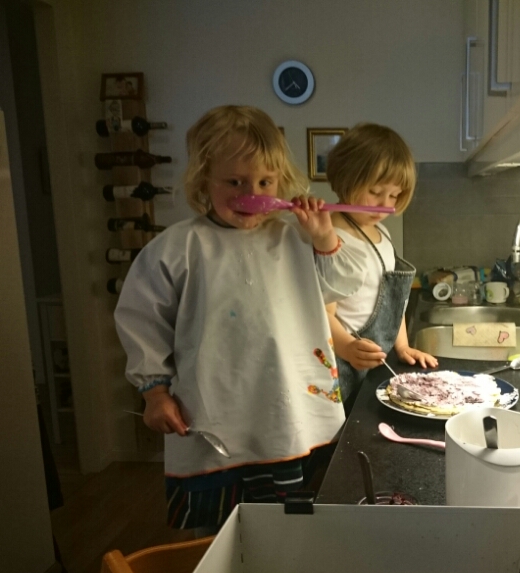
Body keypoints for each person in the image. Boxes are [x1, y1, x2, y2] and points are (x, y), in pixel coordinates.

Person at [114, 106, 365, 533]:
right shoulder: (177, 248)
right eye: (234, 182)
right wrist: (154, 392)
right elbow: (141, 321)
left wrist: (324, 236)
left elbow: (345, 281)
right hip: (212, 415)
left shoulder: (297, 237)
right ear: (203, 181)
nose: (252, 193)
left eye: (266, 182)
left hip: (292, 415)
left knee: (296, 531)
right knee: (222, 539)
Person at [324, 123, 437, 411]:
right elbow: (322, 314)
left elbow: (393, 300)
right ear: (346, 179)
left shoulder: (382, 234)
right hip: (341, 367)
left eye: (394, 195)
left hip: (375, 366)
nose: (385, 204)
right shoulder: (330, 239)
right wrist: (348, 347)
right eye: (375, 191)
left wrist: (402, 346)